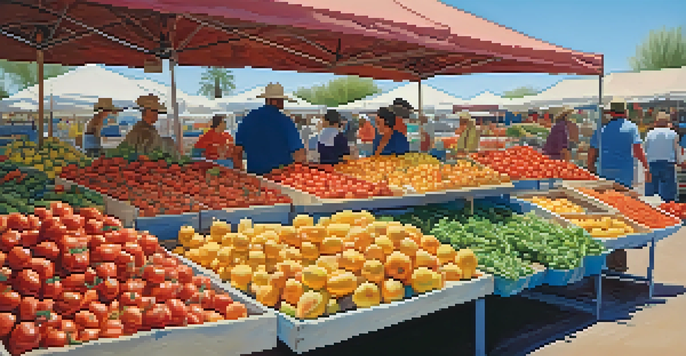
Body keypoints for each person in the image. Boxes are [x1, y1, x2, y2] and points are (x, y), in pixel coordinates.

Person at [234, 83, 306, 174]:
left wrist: (241, 174)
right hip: (281, 178)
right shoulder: (285, 121)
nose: (283, 103)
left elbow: (237, 151)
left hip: (255, 177)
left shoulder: (248, 118)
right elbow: (299, 154)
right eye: (281, 100)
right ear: (275, 101)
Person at [588, 98, 651, 189]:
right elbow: (638, 150)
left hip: (604, 171)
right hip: (625, 172)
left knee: (606, 199)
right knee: (623, 199)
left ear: (611, 113)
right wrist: (646, 167)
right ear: (625, 112)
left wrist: (590, 168)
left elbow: (592, 153)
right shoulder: (632, 128)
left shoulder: (600, 130)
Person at [644, 112, 680, 202]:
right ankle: (667, 210)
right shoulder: (673, 134)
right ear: (668, 123)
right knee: (668, 194)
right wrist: (679, 162)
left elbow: (645, 149)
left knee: (651, 194)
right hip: (668, 164)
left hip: (652, 164)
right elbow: (677, 150)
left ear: (656, 122)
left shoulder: (649, 134)